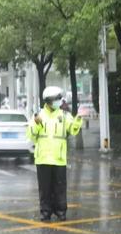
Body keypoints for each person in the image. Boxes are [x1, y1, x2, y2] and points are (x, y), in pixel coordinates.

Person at [27, 86, 83, 222]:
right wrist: (37, 124)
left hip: (59, 159)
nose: (60, 101)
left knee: (60, 187)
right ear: (49, 100)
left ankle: (60, 211)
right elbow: (31, 135)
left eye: (60, 98)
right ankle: (45, 212)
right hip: (43, 159)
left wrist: (78, 120)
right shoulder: (39, 115)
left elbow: (73, 130)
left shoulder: (64, 116)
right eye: (57, 99)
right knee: (45, 189)